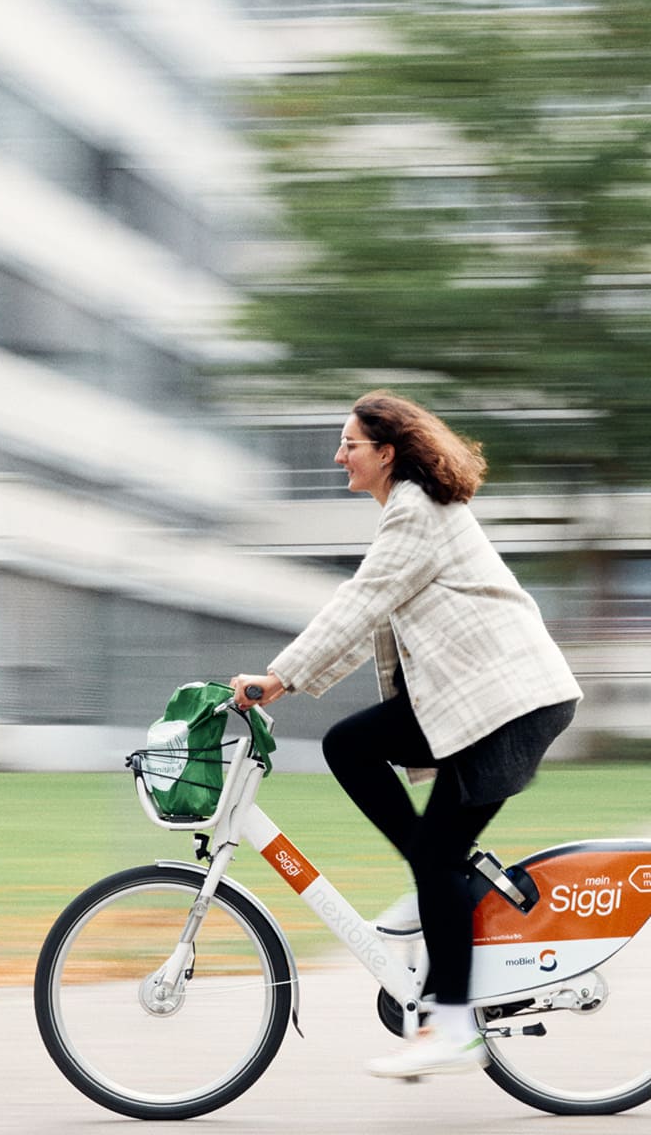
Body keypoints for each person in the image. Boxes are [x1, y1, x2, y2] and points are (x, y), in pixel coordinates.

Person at [230, 391, 582, 1079]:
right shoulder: (413, 514)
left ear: (386, 453)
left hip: (508, 705)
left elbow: (358, 601)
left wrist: (279, 678)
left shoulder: (415, 512)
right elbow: (371, 619)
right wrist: (293, 677)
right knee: (350, 747)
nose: (338, 457)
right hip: (475, 703)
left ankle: (455, 1026)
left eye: (349, 445)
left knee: (432, 851)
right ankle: (438, 879)